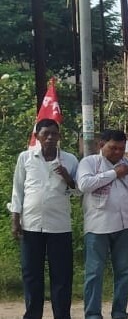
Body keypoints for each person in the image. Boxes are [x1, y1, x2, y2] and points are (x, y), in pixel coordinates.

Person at [8, 119, 78, 319]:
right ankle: (32, 315)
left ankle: (62, 315)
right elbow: (18, 190)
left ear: (59, 136)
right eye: (45, 133)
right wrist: (15, 220)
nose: (50, 138)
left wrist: (67, 177)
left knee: (62, 275)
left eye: (54, 134)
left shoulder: (70, 160)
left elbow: (79, 191)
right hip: (31, 225)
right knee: (31, 274)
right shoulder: (26, 157)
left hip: (59, 226)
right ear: (37, 136)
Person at [76, 129, 128, 319]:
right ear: (101, 145)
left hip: (126, 226)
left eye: (121, 149)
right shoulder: (89, 162)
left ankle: (119, 313)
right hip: (97, 227)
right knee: (94, 273)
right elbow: (84, 185)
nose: (118, 152)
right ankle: (93, 314)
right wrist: (114, 174)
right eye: (113, 148)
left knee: (123, 273)